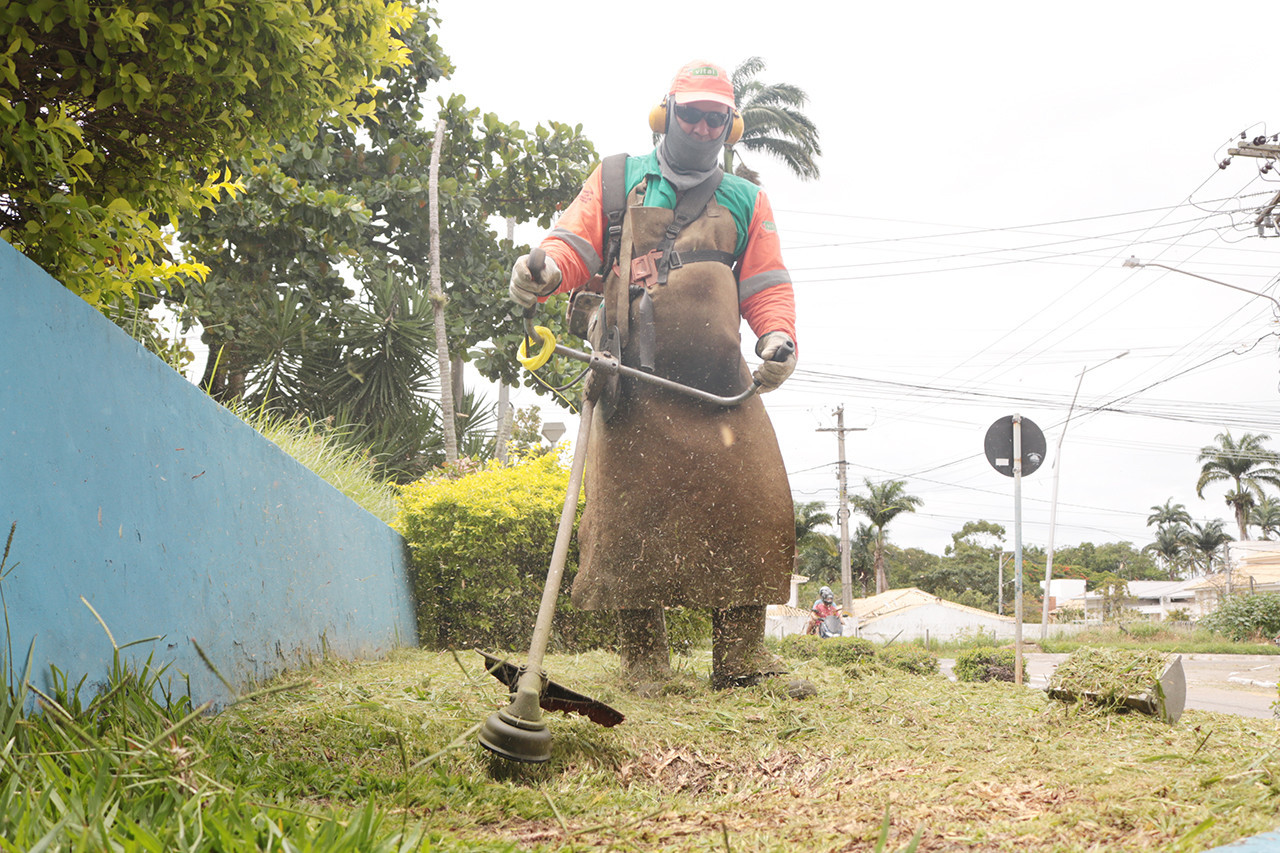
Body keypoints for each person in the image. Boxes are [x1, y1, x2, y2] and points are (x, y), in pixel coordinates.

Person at [509, 60, 798, 689]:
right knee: (629, 517)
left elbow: (768, 284)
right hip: (630, 381)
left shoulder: (747, 200)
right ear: (664, 114)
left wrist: (778, 340)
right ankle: (645, 664)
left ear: (730, 125)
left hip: (720, 387)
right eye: (690, 112)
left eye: (714, 116)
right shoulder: (619, 180)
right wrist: (546, 269)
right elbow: (574, 245)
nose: (700, 124)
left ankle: (742, 659)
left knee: (753, 503)